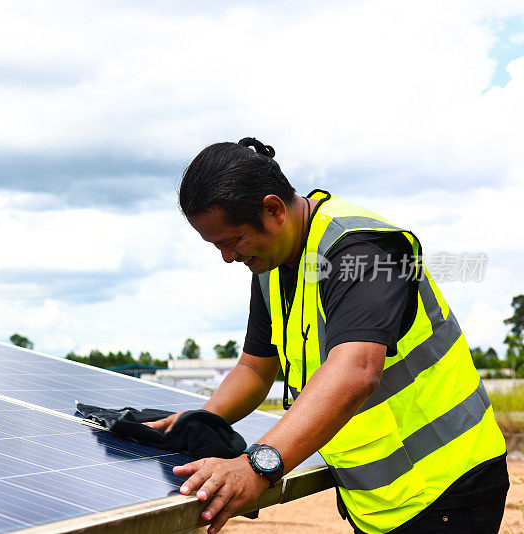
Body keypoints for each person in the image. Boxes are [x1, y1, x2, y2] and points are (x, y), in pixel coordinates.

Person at [144, 138, 509, 534]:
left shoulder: (362, 250)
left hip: (448, 488)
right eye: (217, 246)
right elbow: (254, 367)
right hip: (381, 498)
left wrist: (257, 467)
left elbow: (356, 371)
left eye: (232, 241)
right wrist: (201, 419)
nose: (228, 257)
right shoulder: (270, 265)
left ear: (273, 209)